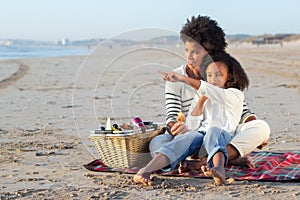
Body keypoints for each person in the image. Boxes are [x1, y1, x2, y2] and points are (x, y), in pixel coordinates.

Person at [150, 15, 270, 169]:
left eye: (196, 52)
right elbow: (172, 114)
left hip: (221, 135)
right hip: (190, 137)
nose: (189, 57)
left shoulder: (220, 74)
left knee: (261, 127)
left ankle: (203, 161)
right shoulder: (176, 77)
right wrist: (175, 126)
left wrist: (256, 130)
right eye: (187, 50)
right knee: (156, 143)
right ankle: (226, 158)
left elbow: (242, 110)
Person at [134, 52, 248, 186]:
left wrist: (183, 78)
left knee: (214, 132)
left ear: (229, 76)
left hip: (223, 135)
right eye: (209, 75)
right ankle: (146, 171)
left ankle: (219, 169)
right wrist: (200, 103)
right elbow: (192, 125)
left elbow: (216, 93)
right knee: (187, 138)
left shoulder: (234, 94)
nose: (213, 79)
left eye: (218, 75)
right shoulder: (202, 94)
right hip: (201, 137)